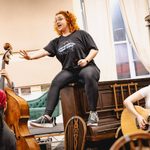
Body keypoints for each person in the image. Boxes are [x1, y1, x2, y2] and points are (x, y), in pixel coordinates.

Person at [20, 10, 100, 127]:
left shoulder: (81, 34)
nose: (57, 21)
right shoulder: (56, 42)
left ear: (68, 20)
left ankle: (93, 114)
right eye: (56, 20)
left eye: (60, 19)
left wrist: (86, 60)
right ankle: (47, 117)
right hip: (69, 71)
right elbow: (43, 51)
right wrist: (30, 57)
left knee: (89, 75)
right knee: (56, 82)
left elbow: (94, 49)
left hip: (87, 67)